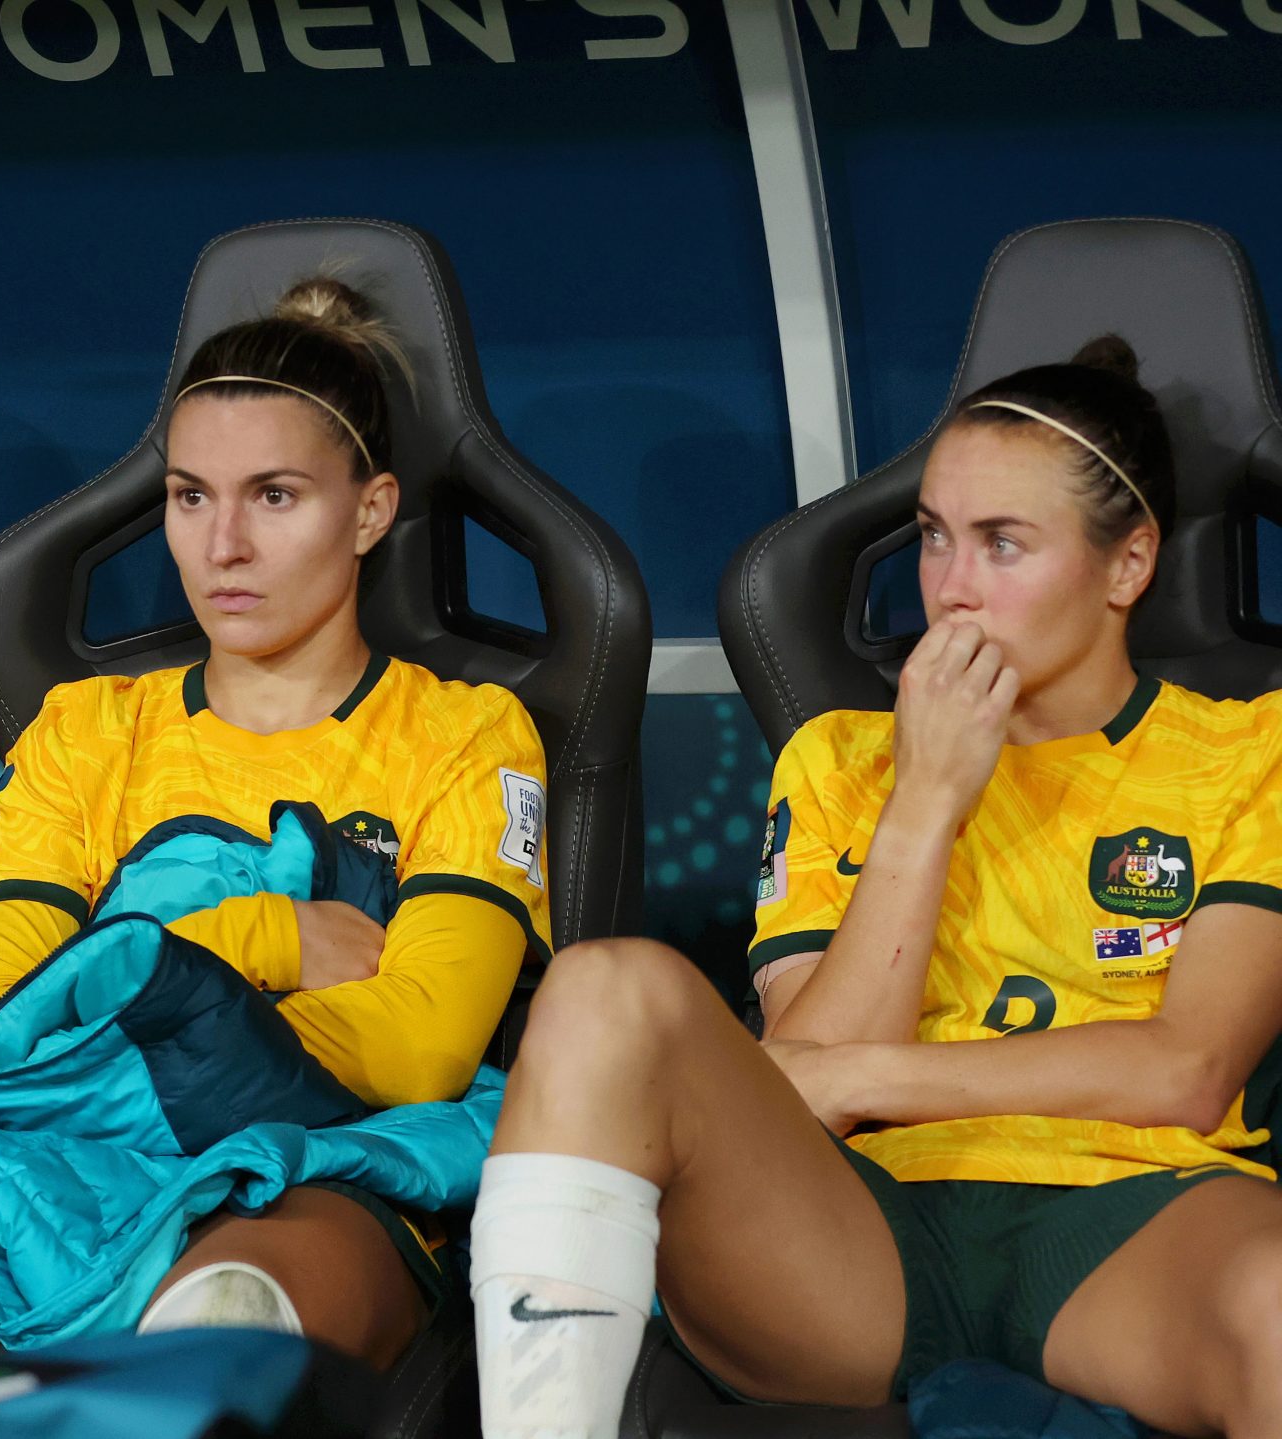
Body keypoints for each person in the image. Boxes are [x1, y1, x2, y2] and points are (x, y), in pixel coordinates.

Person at [0, 277, 553, 1437]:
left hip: (318, 1166)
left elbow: (420, 1044)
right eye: (190, 496)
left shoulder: (464, 734)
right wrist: (262, 938)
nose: (222, 544)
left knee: (208, 1342)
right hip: (47, 1164)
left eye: (274, 495)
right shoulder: (82, 731)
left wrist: (109, 984)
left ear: (369, 509)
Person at [469, 336, 1282, 1439]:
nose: (951, 588)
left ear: (1127, 565)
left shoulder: (1250, 751)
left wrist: (864, 1075)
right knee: (600, 984)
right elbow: (805, 1084)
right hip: (852, 1230)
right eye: (936, 536)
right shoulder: (838, 758)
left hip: (1133, 1211)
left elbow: (1187, 1069)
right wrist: (925, 800)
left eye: (1003, 543)